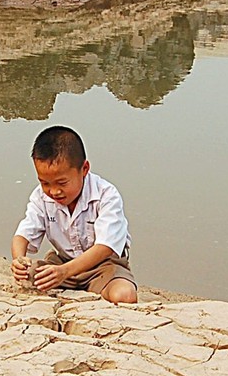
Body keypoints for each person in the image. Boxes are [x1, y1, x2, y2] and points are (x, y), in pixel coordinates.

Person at [10, 125, 137, 304]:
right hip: (61, 263)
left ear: (84, 169)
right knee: (29, 276)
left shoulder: (106, 195)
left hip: (102, 267)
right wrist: (19, 261)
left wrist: (66, 272)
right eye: (45, 183)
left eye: (62, 182)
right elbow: (23, 235)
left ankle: (92, 287)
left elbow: (105, 247)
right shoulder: (40, 197)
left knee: (124, 296)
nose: (54, 191)